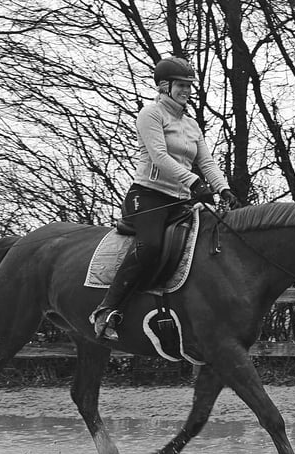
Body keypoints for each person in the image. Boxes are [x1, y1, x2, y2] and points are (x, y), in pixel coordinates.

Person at [90, 55, 240, 340]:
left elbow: (206, 163)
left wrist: (223, 188)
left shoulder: (191, 124)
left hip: (181, 199)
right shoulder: (151, 114)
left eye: (189, 85)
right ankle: (107, 310)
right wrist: (194, 182)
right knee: (151, 246)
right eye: (181, 85)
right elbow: (159, 157)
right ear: (164, 86)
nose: (186, 90)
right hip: (148, 196)